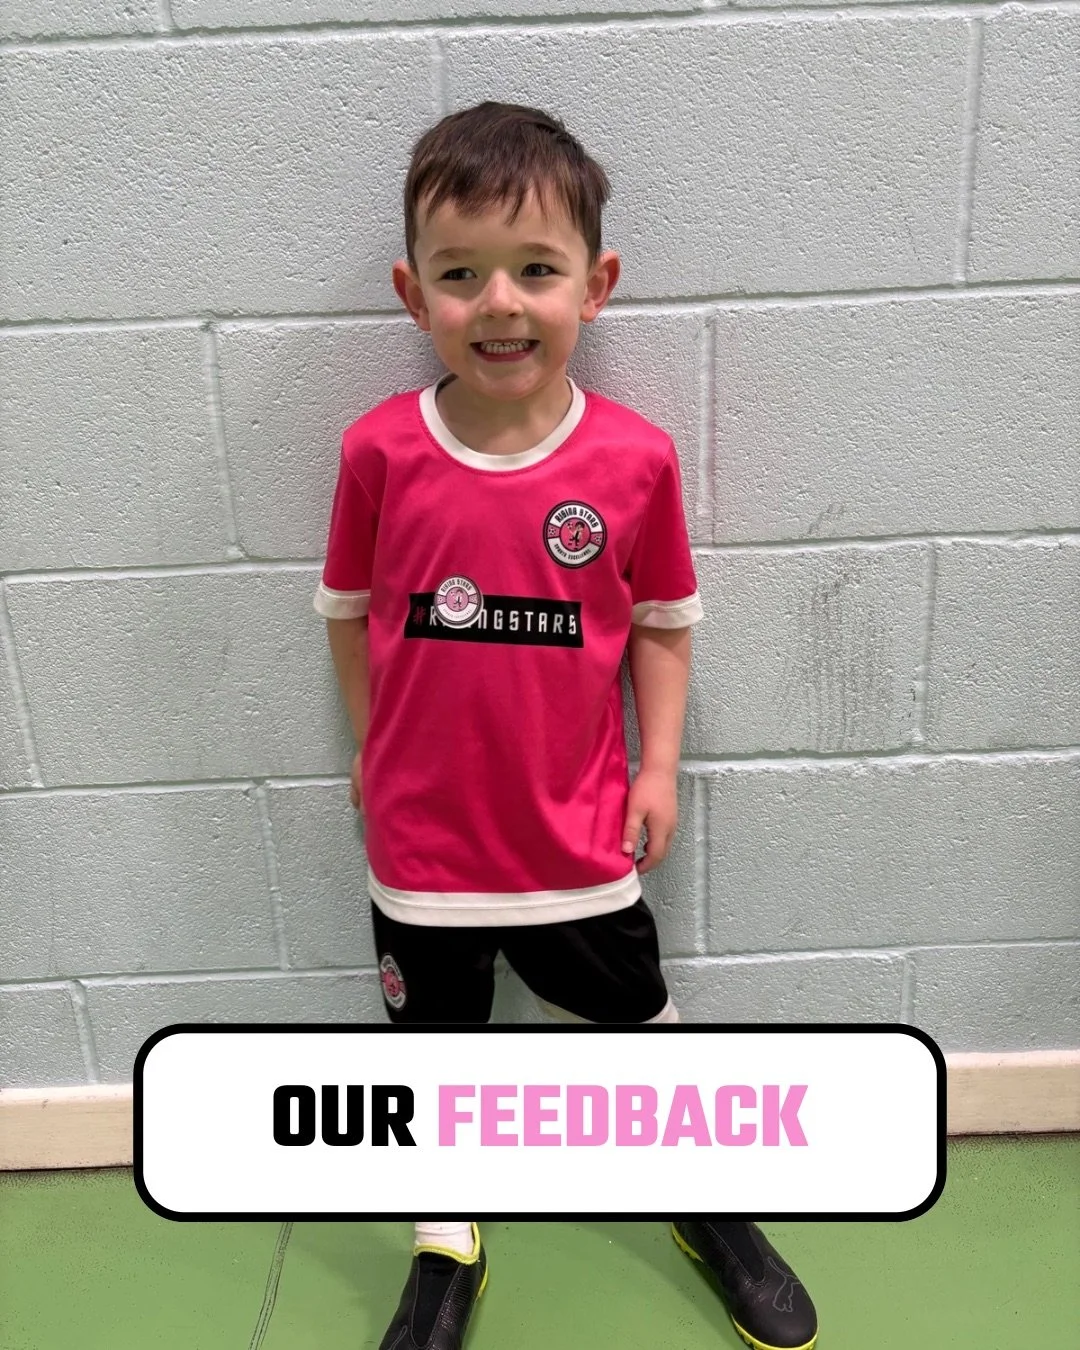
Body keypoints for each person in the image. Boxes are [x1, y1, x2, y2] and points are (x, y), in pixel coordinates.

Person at [314, 101, 818, 1350]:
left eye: (536, 270)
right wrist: (376, 759)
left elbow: (661, 623)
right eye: (462, 272)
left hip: (575, 835)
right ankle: (448, 1238)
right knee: (432, 1054)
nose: (500, 302)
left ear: (595, 286)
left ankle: (701, 1203)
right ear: (411, 290)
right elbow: (344, 615)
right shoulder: (377, 453)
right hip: (424, 853)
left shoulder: (634, 462)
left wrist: (658, 770)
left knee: (639, 1018)